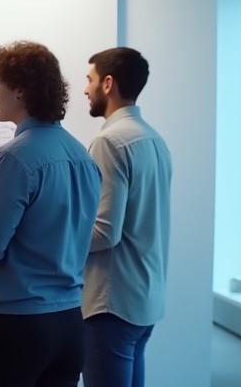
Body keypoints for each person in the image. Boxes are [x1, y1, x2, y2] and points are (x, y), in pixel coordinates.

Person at [0, 41, 102, 387]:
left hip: (18, 326)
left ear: (20, 89)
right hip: (70, 324)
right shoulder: (82, 157)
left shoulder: (14, 158)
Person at [82, 47, 172, 387]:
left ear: (108, 83)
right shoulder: (154, 140)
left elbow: (105, 232)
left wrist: (55, 240)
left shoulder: (109, 142)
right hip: (145, 298)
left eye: (89, 80)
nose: (85, 89)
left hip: (112, 304)